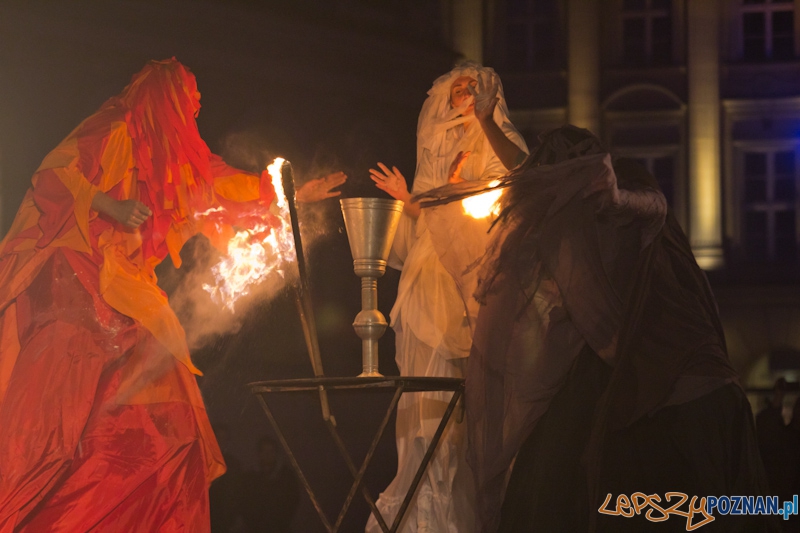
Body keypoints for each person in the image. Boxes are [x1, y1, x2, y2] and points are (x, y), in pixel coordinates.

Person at [0, 58, 344, 532]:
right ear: (163, 96)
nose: (195, 108)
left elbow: (225, 186)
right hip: (78, 270)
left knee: (170, 419)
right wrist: (110, 204)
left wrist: (293, 195)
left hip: (129, 287)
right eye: (187, 99)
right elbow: (54, 174)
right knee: (57, 414)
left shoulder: (181, 160)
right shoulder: (116, 126)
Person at [455, 125, 776, 532]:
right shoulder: (577, 229)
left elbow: (651, 205)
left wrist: (618, 197)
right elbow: (543, 176)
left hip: (685, 401)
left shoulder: (624, 194)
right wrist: (487, 122)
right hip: (666, 398)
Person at [366, 62, 527, 532]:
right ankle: (421, 505)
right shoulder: (436, 145)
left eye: (473, 88)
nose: (464, 94)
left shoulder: (494, 139)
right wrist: (406, 198)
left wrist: (459, 185)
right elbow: (430, 215)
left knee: (463, 395)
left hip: (470, 273)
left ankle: (461, 510)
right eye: (458, 89)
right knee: (421, 383)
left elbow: (514, 180)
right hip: (427, 273)